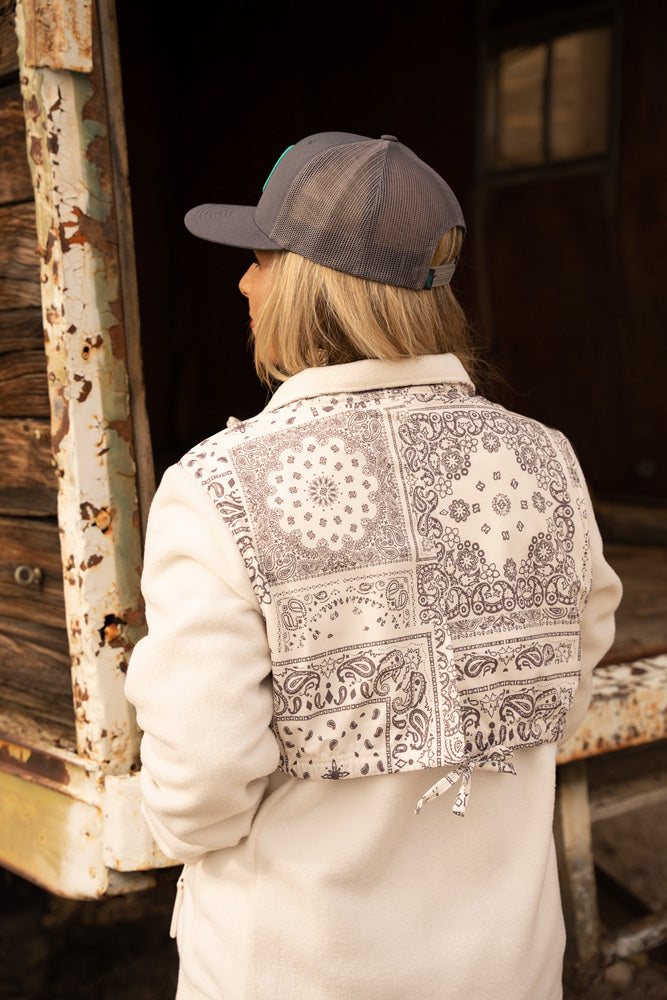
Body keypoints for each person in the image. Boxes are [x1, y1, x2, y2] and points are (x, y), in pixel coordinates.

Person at [125, 132, 622, 1000]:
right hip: (507, 965)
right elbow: (563, 691)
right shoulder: (545, 460)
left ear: (311, 281)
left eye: (261, 258)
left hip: (295, 968)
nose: (243, 282)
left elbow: (200, 781)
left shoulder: (217, 487)